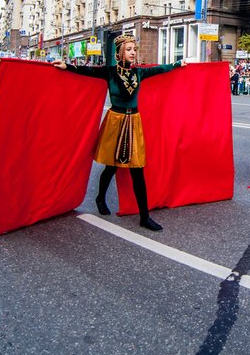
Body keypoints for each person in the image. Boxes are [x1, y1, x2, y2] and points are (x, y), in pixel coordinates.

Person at [52, 35, 185, 231]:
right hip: (115, 122)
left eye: (134, 49)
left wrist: (176, 64)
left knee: (137, 169)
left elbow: (159, 69)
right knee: (112, 167)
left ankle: (144, 217)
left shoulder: (139, 72)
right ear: (120, 53)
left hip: (133, 122)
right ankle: (100, 198)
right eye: (129, 49)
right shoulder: (110, 72)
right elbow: (88, 71)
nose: (133, 53)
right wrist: (67, 66)